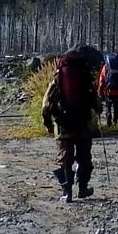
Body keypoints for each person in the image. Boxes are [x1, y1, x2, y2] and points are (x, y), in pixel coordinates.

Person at [41, 45, 102, 202]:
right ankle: (82, 189)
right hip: (82, 122)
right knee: (84, 157)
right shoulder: (85, 76)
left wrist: (47, 123)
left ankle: (66, 193)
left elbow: (47, 103)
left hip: (63, 125)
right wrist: (98, 112)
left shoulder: (59, 76)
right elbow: (96, 102)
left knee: (64, 158)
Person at [98, 52, 118, 128]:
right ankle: (115, 123)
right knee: (116, 107)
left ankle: (109, 119)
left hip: (108, 91)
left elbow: (101, 81)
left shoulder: (105, 68)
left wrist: (100, 92)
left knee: (108, 106)